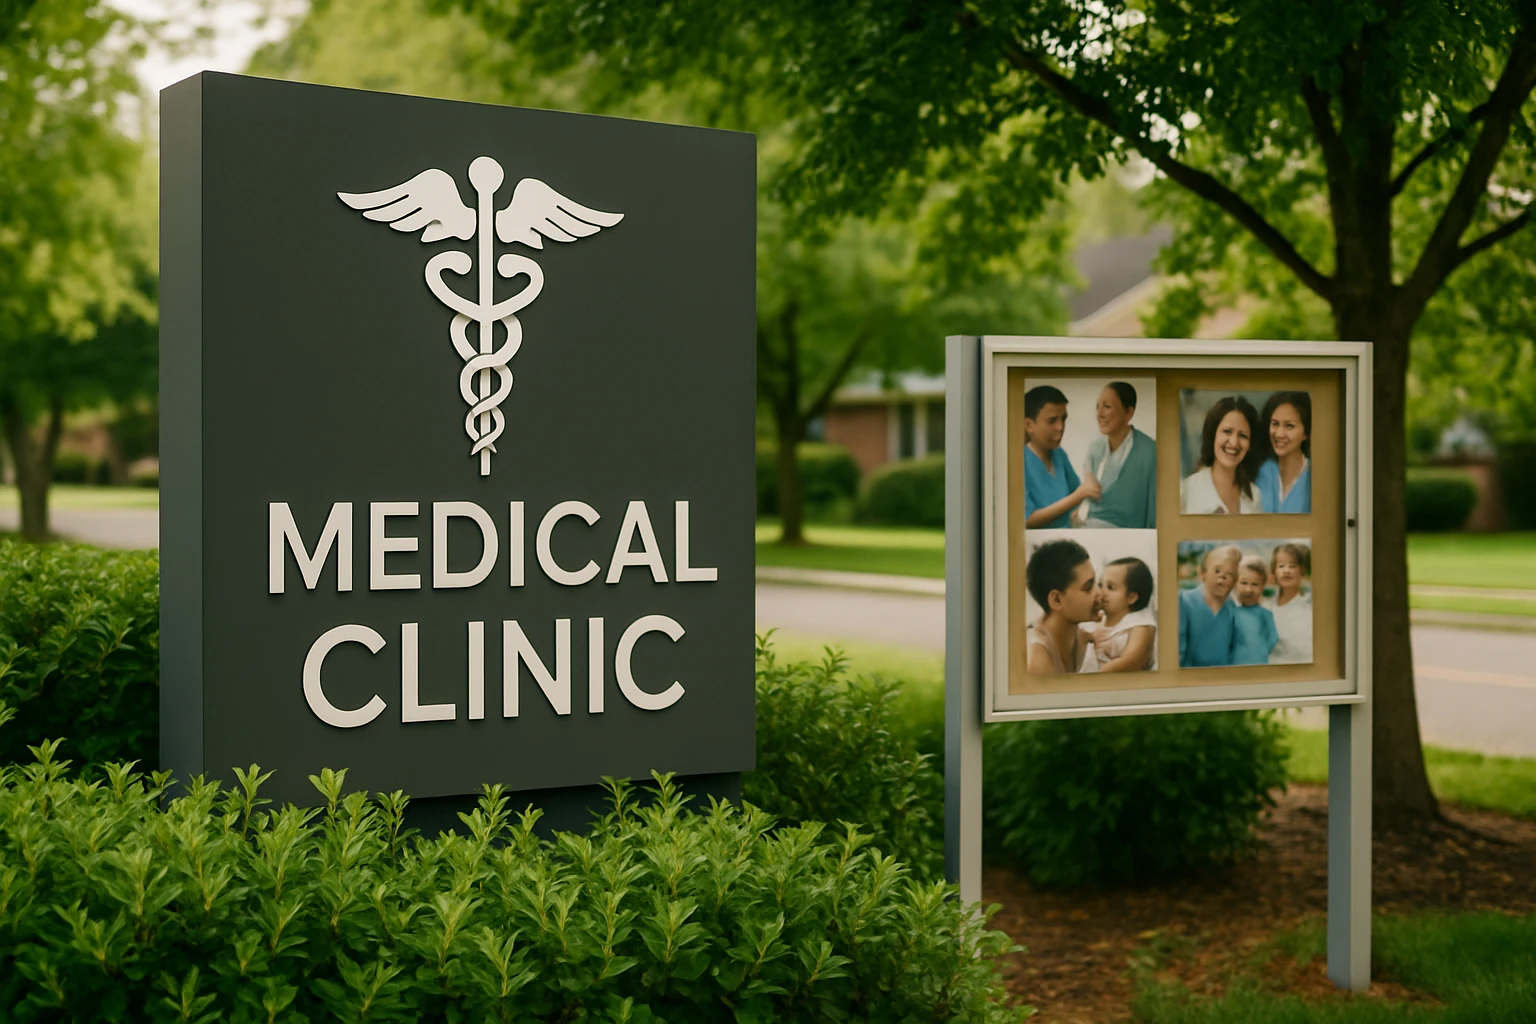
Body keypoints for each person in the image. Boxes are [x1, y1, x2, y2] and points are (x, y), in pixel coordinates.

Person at [1077, 382, 1158, 529]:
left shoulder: (1150, 451)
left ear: (1129, 413)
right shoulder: (1094, 449)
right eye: (1097, 407)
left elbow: (1154, 511)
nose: (1099, 414)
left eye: (1107, 407)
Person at [1024, 384, 1098, 529]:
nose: (1060, 427)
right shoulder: (1018, 461)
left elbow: (1076, 493)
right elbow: (1027, 520)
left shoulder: (1058, 454)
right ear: (1029, 425)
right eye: (1052, 421)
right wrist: (1079, 495)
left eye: (1063, 419)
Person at [1025, 538, 1096, 674]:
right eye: (1088, 588)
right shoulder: (1037, 661)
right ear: (1056, 600)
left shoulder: (1084, 636)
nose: (1100, 594)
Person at [1180, 396, 1262, 514]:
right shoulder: (1187, 490)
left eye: (1243, 435)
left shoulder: (1255, 495)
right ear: (1213, 435)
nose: (1234, 442)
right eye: (1227, 431)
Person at [1080, 556, 1157, 672]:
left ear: (1131, 597)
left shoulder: (1140, 625)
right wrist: (1087, 636)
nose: (1101, 592)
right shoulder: (1095, 620)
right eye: (1100, 585)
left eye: (1110, 587)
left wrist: (1093, 678)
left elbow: (1131, 660)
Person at [1178, 544, 1240, 668]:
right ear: (1203, 573)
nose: (1223, 576)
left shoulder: (1232, 608)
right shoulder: (1184, 601)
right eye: (1217, 570)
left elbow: (1234, 649)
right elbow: (1178, 648)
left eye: (1230, 574)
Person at [1256, 391, 1312, 514]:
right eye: (1275, 424)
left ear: (1306, 433)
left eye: (1289, 426)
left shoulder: (1316, 476)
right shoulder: (1258, 472)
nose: (1279, 434)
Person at [1266, 542, 1313, 664]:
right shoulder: (1266, 605)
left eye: (1292, 566)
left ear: (1302, 570)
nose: (1286, 571)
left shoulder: (1309, 609)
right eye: (1281, 566)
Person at [1230, 556, 1280, 665]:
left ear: (1262, 587)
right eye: (1244, 583)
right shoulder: (1230, 613)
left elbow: (1273, 638)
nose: (1249, 589)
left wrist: (1260, 651)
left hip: (1259, 663)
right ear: (1235, 584)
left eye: (1255, 584)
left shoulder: (1266, 614)